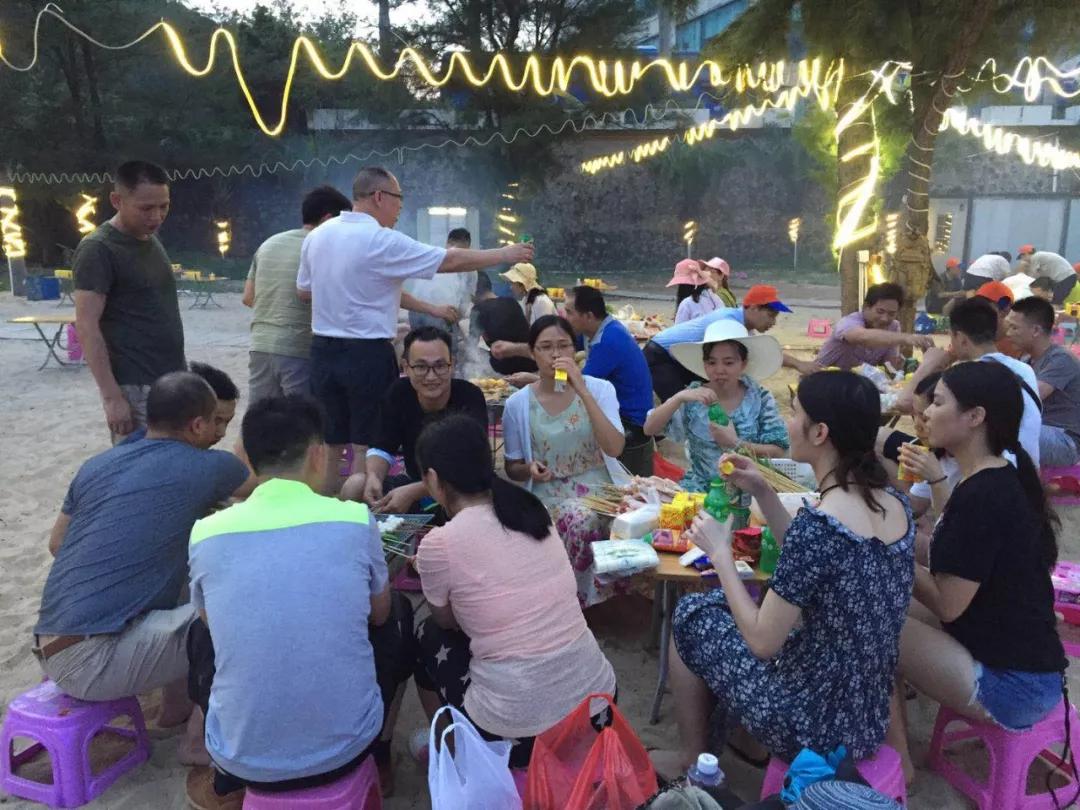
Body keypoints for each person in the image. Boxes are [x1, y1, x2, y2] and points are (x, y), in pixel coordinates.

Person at [649, 371, 914, 779]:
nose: (789, 423)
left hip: (809, 724)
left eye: (796, 413)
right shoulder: (894, 505)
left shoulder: (821, 524)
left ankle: (695, 758)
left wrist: (720, 553)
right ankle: (737, 741)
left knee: (691, 614)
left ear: (820, 432)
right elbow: (814, 560)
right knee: (719, 605)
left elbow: (762, 642)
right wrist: (763, 490)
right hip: (865, 714)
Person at [184, 396, 415, 807]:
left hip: (243, 757)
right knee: (397, 612)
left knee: (201, 633)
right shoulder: (353, 520)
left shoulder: (206, 531)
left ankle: (225, 779)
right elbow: (379, 614)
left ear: (248, 460)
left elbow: (209, 621)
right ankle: (380, 754)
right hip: (348, 745)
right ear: (317, 454)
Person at [32, 373, 252, 765]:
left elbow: (56, 544)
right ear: (197, 425)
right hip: (94, 660)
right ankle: (198, 743)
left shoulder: (99, 464)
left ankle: (175, 709)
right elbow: (269, 483)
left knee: (187, 579)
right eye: (216, 422)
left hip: (52, 645)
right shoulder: (207, 466)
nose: (219, 432)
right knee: (239, 611)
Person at [296, 166, 532, 493]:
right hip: (366, 353)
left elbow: (304, 291)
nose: (399, 210)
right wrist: (503, 254)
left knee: (332, 445)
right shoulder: (381, 239)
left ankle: (326, 513)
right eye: (398, 201)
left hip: (322, 351)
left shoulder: (317, 236)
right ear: (379, 196)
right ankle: (362, 515)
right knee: (364, 446)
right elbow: (448, 261)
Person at [887, 361, 1066, 782]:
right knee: (889, 602)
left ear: (975, 417)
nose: (926, 414)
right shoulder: (996, 475)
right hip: (1025, 665)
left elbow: (948, 604)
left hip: (1014, 687)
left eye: (938, 403)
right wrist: (890, 532)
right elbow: (953, 552)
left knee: (875, 624)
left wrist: (889, 547)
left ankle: (899, 763)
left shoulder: (984, 494)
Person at [412, 414, 617, 768]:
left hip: (519, 733)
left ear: (432, 479)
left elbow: (446, 622)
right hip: (598, 705)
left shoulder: (438, 544)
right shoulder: (532, 511)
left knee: (426, 633)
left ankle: (453, 751)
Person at [502, 315, 626, 606]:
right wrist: (529, 469)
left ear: (575, 350)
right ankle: (572, 603)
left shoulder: (600, 389)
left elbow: (615, 448)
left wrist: (581, 389)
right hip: (550, 494)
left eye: (563, 346)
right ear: (532, 353)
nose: (555, 354)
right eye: (546, 347)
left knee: (634, 518)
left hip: (602, 488)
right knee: (581, 520)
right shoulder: (518, 404)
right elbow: (512, 467)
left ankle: (603, 601)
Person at [73, 160, 184, 441]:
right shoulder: (99, 249)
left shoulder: (149, 238)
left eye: (164, 206)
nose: (157, 216)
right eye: (146, 208)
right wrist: (112, 397)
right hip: (135, 386)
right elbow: (86, 325)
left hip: (171, 379)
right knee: (142, 463)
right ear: (116, 200)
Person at [342, 326, 488, 512]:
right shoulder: (399, 393)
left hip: (463, 490)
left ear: (452, 365)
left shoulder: (469, 397)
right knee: (355, 485)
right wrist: (374, 477)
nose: (431, 376)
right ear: (406, 367)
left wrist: (414, 492)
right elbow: (381, 446)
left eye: (440, 366)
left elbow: (473, 467)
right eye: (421, 367)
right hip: (413, 482)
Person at [644, 320, 789, 492]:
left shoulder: (760, 398)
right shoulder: (694, 397)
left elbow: (778, 450)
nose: (719, 370)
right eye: (712, 363)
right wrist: (678, 398)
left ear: (743, 364)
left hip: (749, 491)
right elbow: (649, 429)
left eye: (728, 363)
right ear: (704, 364)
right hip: (701, 490)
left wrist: (735, 443)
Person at [243, 186, 352, 403]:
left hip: (260, 345)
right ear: (327, 219)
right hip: (298, 349)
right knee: (302, 418)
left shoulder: (269, 244)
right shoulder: (324, 248)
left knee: (260, 417)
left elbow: (248, 297)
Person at [906, 296, 1042, 466]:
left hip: (996, 468)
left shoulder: (969, 376)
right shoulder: (1024, 369)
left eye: (951, 336)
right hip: (1028, 466)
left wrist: (928, 363)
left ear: (961, 338)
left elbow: (904, 403)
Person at [645, 285, 805, 402]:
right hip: (660, 355)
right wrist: (799, 364)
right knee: (680, 407)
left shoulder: (740, 323)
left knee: (711, 393)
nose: (773, 322)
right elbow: (761, 354)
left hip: (676, 356)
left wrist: (799, 364)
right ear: (754, 308)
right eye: (770, 315)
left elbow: (762, 351)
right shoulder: (728, 322)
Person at [564, 284, 656, 477]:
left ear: (588, 316)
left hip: (631, 423)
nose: (565, 318)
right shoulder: (599, 330)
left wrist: (538, 379)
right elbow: (566, 346)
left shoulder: (609, 340)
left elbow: (577, 384)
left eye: (569, 312)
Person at [1007, 296, 1080, 466]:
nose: (1008, 333)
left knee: (997, 432)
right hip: (1039, 431)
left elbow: (1027, 398)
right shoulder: (1026, 360)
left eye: (1014, 328)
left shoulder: (1061, 359)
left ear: (1035, 331)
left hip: (1066, 441)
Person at [814, 283, 934, 370]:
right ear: (866, 307)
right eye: (880, 311)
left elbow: (890, 366)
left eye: (891, 314)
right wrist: (906, 338)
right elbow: (862, 337)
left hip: (858, 386)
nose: (884, 318)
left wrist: (927, 361)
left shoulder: (893, 326)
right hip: (823, 382)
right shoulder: (849, 322)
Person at [403, 228, 477, 369]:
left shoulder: (433, 256)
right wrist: (456, 317)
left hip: (417, 310)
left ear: (448, 242)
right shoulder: (468, 264)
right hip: (441, 314)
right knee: (446, 353)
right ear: (468, 246)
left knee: (418, 352)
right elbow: (466, 298)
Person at [472, 271, 538, 376]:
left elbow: (471, 345)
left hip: (505, 371)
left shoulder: (478, 310)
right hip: (530, 366)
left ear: (473, 291)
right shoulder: (512, 302)